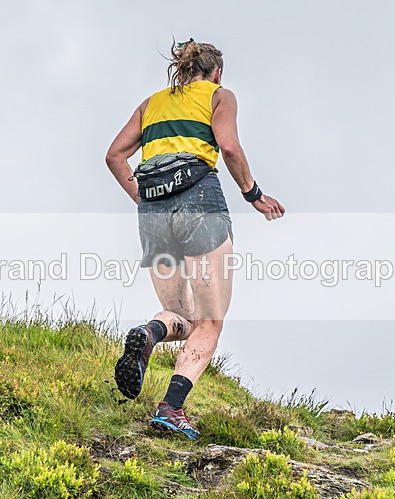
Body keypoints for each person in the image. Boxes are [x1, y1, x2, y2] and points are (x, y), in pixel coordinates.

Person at [105, 39, 285, 440]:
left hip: (152, 209)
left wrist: (142, 196)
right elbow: (229, 146)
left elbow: (115, 156)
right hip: (199, 198)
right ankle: (171, 408)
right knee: (208, 321)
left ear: (182, 69)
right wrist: (254, 194)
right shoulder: (220, 95)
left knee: (181, 316)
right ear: (216, 72)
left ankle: (148, 334)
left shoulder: (150, 104)